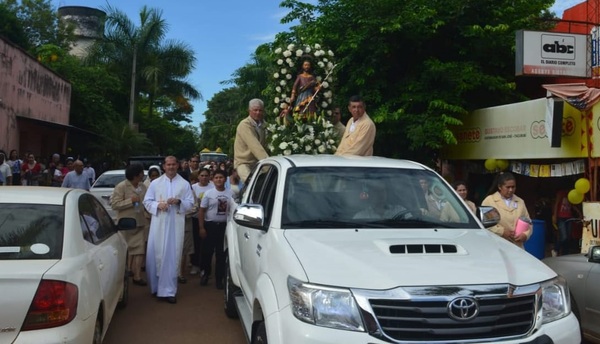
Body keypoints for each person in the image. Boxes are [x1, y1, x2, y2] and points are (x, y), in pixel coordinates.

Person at [143, 156, 195, 304]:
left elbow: (190, 203)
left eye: (173, 164)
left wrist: (179, 201)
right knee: (155, 255)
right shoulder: (155, 183)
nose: (171, 167)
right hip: (158, 224)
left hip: (175, 225)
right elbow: (147, 201)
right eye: (168, 164)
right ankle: (155, 288)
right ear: (164, 166)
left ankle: (169, 291)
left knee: (171, 257)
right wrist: (157, 206)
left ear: (177, 166)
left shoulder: (184, 184)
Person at [111, 163, 148, 286]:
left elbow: (147, 202)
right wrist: (130, 201)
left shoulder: (143, 187)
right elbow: (115, 204)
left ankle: (137, 276)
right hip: (126, 223)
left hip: (140, 222)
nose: (143, 175)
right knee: (126, 250)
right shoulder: (121, 186)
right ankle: (125, 272)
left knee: (140, 250)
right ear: (136, 175)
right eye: (141, 173)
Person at [198, 169, 234, 289]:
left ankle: (220, 279)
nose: (219, 180)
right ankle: (205, 273)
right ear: (213, 180)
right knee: (207, 252)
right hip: (210, 225)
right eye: (216, 178)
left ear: (225, 179)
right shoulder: (208, 194)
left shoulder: (231, 194)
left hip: (224, 226)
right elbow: (202, 211)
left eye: (221, 177)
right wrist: (202, 227)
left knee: (221, 254)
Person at [481, 172, 531, 248]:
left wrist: (525, 235)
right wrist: (502, 232)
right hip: (497, 245)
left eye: (513, 187)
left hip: (517, 246)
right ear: (500, 187)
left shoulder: (520, 202)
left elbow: (528, 222)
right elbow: (486, 224)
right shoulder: (490, 201)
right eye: (507, 187)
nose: (511, 190)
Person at [234, 98, 268, 182]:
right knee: (252, 184)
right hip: (244, 163)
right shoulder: (244, 124)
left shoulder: (264, 125)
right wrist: (268, 164)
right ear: (249, 111)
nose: (258, 112)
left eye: (260, 110)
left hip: (259, 163)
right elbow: (255, 146)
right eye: (255, 110)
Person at [190, 168, 214, 276]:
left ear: (209, 177)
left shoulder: (213, 187)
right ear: (198, 176)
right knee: (195, 243)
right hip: (195, 218)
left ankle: (204, 266)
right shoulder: (193, 188)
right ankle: (195, 264)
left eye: (206, 175)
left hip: (208, 219)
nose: (204, 178)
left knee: (206, 244)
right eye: (202, 175)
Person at [552, 190, 582, 256]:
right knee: (564, 237)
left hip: (569, 217)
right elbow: (556, 204)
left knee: (568, 237)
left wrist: (579, 213)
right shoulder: (561, 193)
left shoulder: (572, 194)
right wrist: (554, 215)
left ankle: (565, 253)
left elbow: (573, 205)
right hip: (561, 217)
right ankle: (555, 249)